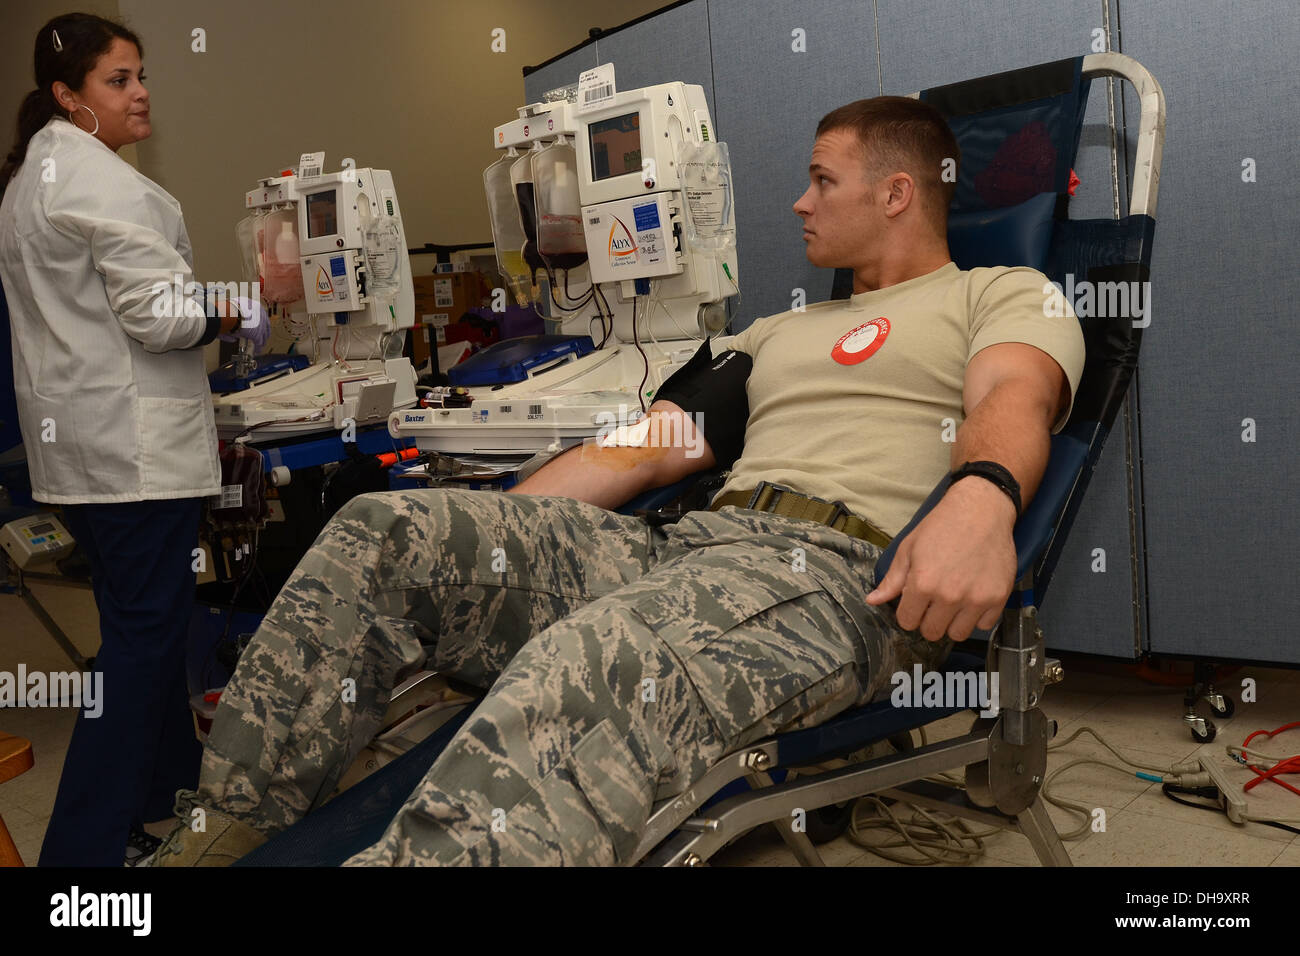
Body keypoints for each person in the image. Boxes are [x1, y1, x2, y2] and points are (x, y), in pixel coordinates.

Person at [151, 96, 1084, 866]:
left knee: (589, 663)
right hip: (685, 546)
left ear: (896, 193)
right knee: (379, 532)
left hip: (837, 575)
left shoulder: (1002, 293)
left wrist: (984, 495)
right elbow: (646, 448)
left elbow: (1013, 396)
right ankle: (234, 827)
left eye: (820, 180)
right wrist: (487, 550)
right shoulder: (771, 334)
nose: (799, 203)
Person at [0, 13, 269, 866]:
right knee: (140, 652)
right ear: (69, 97)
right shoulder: (103, 185)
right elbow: (162, 319)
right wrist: (249, 298)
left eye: (142, 74)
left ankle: (160, 805)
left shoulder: (32, 178)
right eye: (119, 80)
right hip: (136, 461)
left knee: (140, 637)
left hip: (83, 461)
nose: (142, 91)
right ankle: (79, 858)